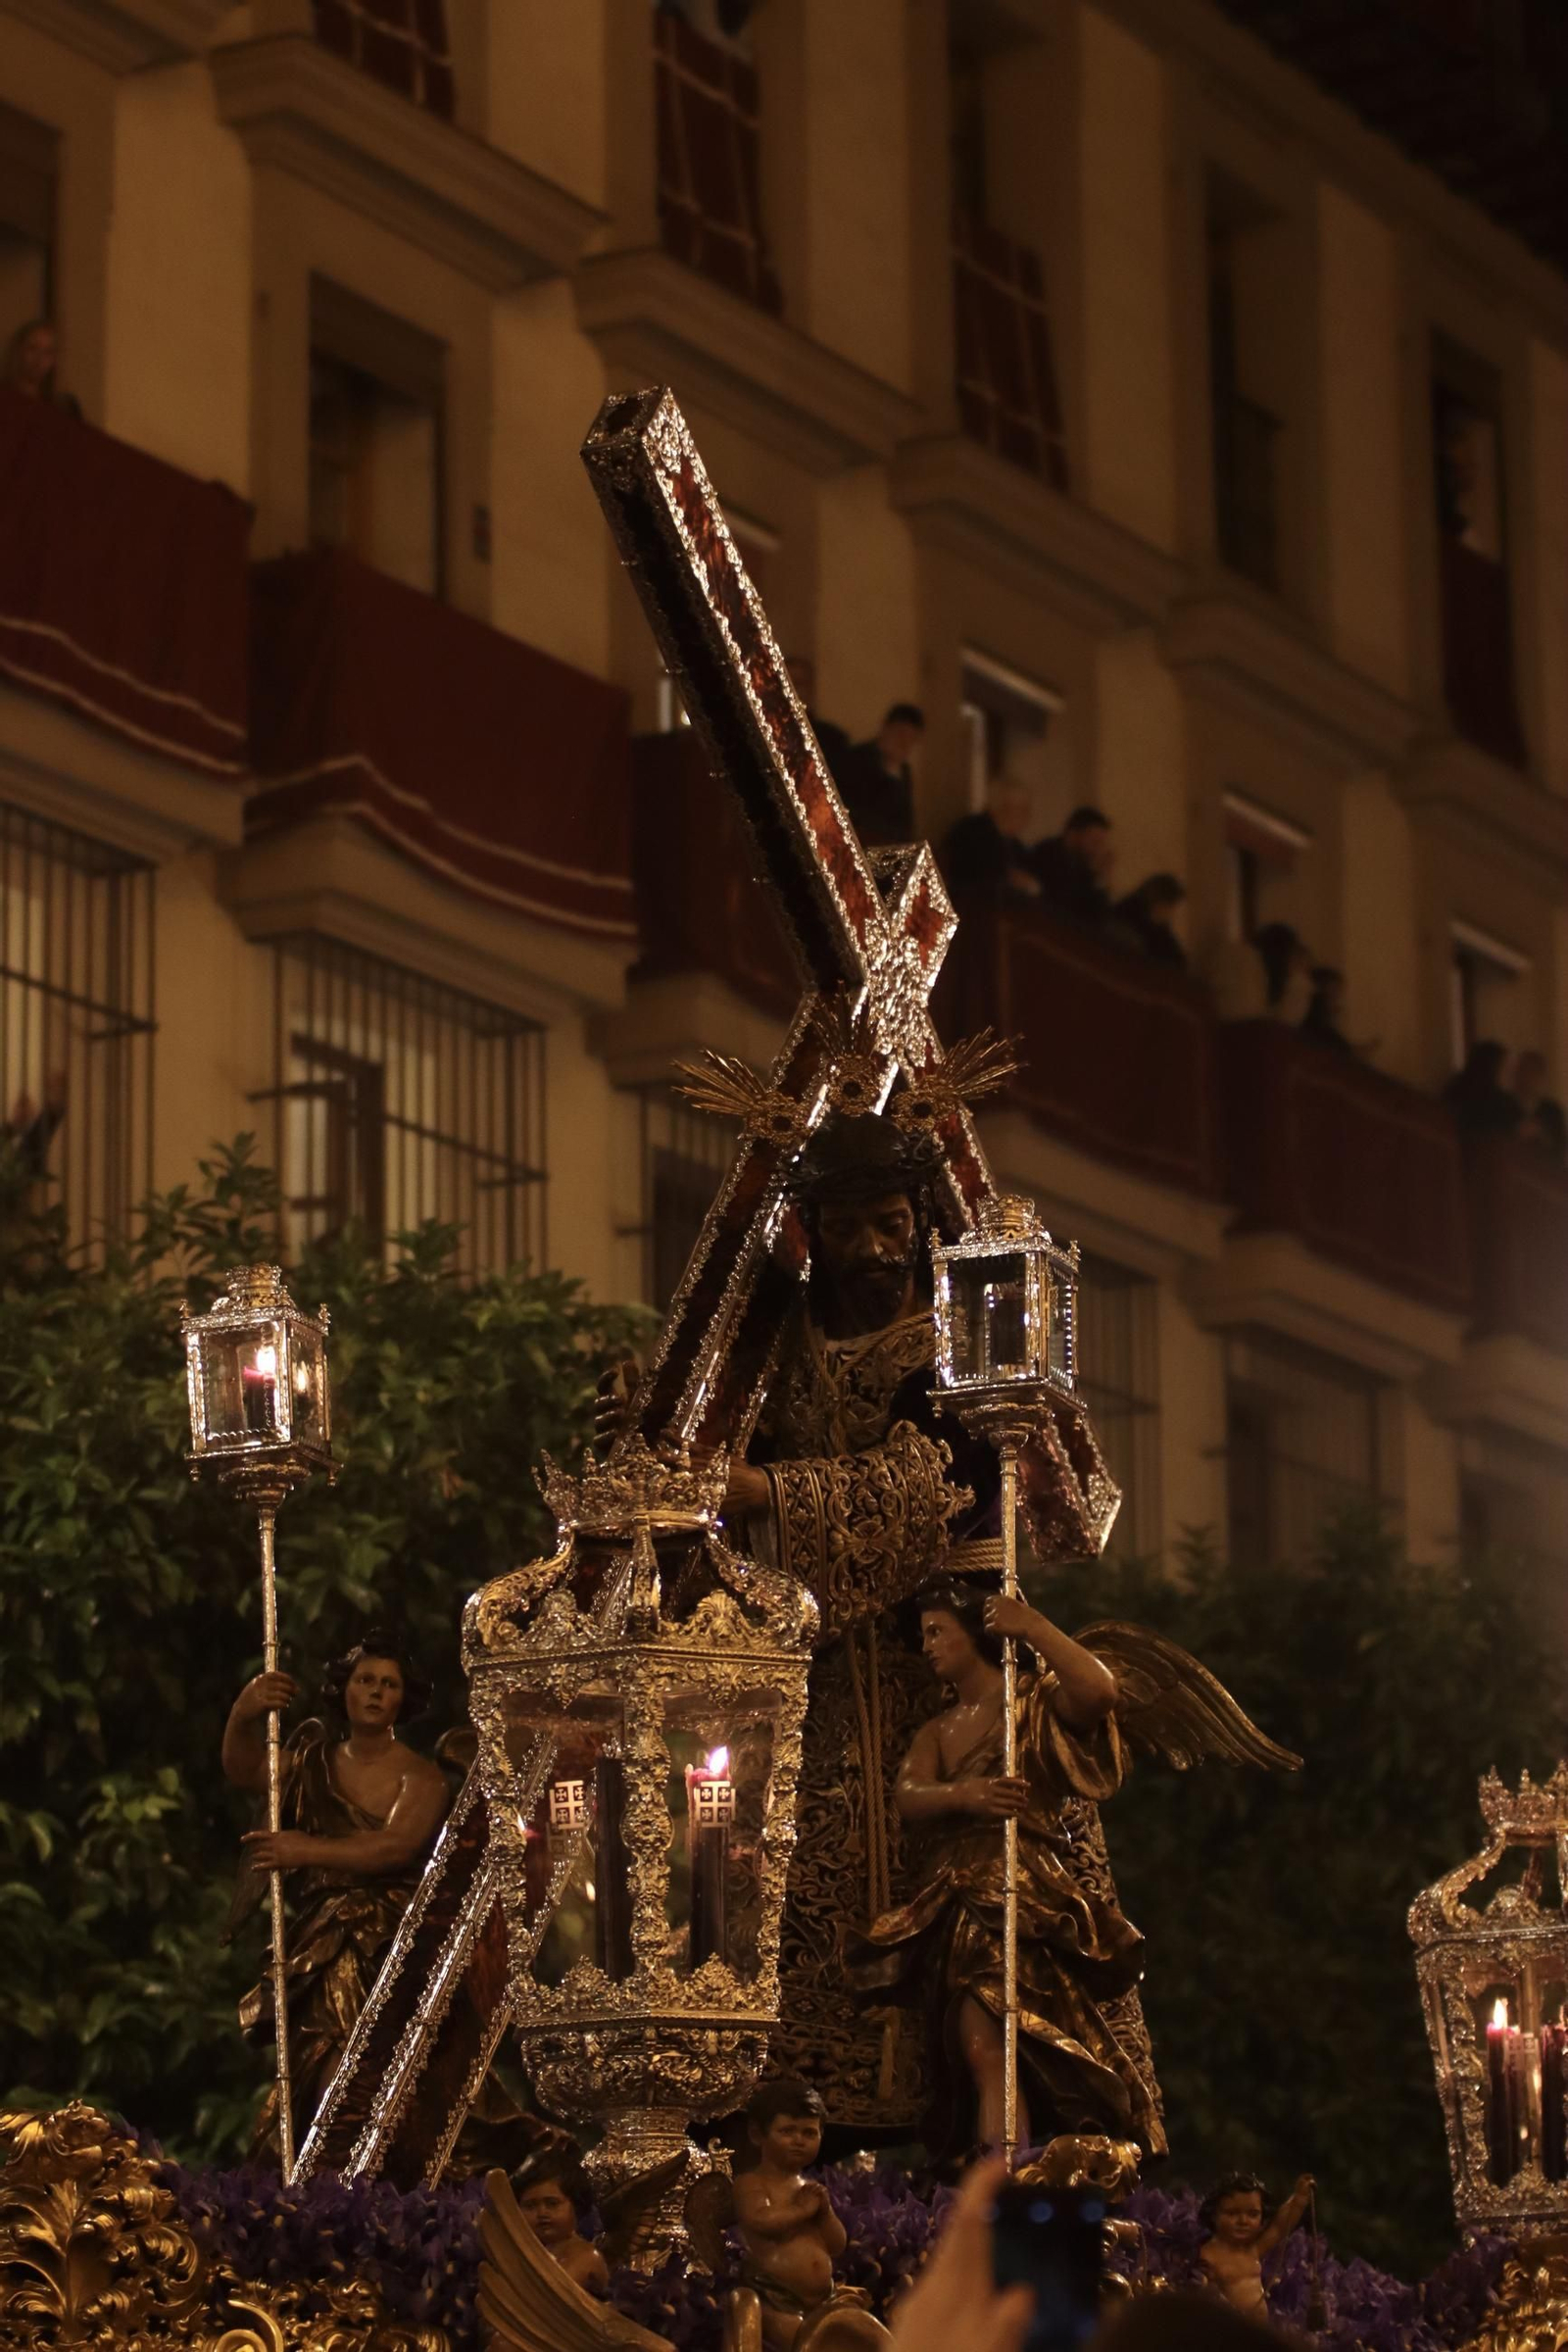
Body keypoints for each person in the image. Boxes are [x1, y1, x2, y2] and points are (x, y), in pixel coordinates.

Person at [853, 1576, 1298, 2165]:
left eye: (939, 1631)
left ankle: (1005, 2172)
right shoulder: (941, 1729)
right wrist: (968, 1794)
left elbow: (1098, 1691)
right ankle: (996, 2169)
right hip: (959, 1895)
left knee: (1005, 2043)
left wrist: (1032, 1626)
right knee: (972, 2046)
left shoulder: (1033, 1701)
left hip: (1026, 1890)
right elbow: (910, 1794)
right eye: (924, 1635)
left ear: (978, 1632)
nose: (929, 1645)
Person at [221, 1627, 452, 2158]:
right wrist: (245, 1711)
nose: (375, 1692)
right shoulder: (308, 1761)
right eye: (365, 1679)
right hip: (319, 1938)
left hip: (383, 1939)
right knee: (317, 2054)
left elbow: (392, 1848)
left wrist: (305, 1850)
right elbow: (247, 1769)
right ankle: (320, 2169)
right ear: (343, 1689)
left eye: (389, 1684)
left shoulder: (421, 1778)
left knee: (368, 2058)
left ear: (405, 1697)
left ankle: (360, 2167)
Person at [732, 2080, 849, 2348]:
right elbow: (760, 2221)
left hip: (823, 2300)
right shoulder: (752, 2183)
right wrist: (801, 2210)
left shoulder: (808, 2188)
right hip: (775, 2297)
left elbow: (837, 2245)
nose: (799, 2141)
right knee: (801, 2339)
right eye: (787, 2131)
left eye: (809, 2133)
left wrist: (825, 2214)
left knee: (855, 2330)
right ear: (757, 2134)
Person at [1199, 2171, 1314, 2319]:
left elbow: (1279, 2228)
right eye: (1232, 2213)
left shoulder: (1252, 2249)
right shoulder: (1209, 2255)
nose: (1243, 2221)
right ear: (1214, 2215)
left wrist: (1299, 2199)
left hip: (1258, 2331)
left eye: (1253, 2214)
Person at [513, 2149, 609, 2293]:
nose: (542, 2213)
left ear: (576, 2205)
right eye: (530, 2205)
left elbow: (552, 2295)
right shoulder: (519, 2256)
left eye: (552, 2203)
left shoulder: (587, 2256)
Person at [942, 778, 1042, 906]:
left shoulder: (1016, 845)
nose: (1026, 816)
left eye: (1026, 809)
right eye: (1020, 809)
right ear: (1001, 807)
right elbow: (973, 877)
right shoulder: (972, 831)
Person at [838, 703, 924, 849]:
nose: (904, 743)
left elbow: (905, 822)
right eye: (900, 734)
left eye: (911, 739)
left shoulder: (903, 771)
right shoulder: (856, 760)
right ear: (886, 728)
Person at [1031, 807, 1115, 927]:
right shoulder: (1047, 854)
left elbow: (1098, 917)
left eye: (1101, 843)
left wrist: (1101, 878)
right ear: (1073, 835)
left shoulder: (1084, 867)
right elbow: (1063, 903)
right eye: (1094, 841)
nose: (1098, 849)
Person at [787, 653, 853, 784]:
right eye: (787, 682)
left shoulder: (833, 741)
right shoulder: (760, 732)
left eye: (799, 683)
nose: (792, 689)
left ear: (810, 689)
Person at [1443, 1041, 1521, 1138]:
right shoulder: (1498, 1103)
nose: (1512, 1075)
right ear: (1492, 1068)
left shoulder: (1508, 1102)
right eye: (1507, 1069)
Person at [4, 318, 81, 416]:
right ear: (19, 350)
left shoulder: (65, 406)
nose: (39, 358)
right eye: (33, 348)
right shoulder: (4, 399)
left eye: (47, 352)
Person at [1113, 873, 1187, 969]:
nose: (1170, 913)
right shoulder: (1126, 915)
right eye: (1169, 906)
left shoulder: (1158, 925)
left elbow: (1176, 958)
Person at [1512, 1049, 1567, 1162]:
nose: (1527, 1079)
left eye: (1533, 1073)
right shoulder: (1506, 1107)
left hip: (1546, 1170)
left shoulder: (1552, 1111)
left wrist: (1541, 1134)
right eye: (1524, 1072)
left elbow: (1559, 1147)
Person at [1298, 964, 1353, 1054]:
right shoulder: (1315, 1035)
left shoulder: (1331, 1035)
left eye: (1338, 995)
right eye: (1333, 996)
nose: (1338, 1004)